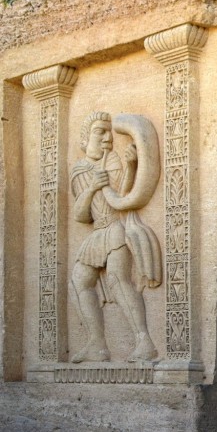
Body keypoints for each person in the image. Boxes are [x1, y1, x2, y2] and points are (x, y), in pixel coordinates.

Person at [70, 111, 160, 363]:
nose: (107, 137)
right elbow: (80, 215)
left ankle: (145, 342)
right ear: (85, 139)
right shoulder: (80, 169)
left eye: (108, 132)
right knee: (79, 281)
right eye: (100, 131)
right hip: (98, 231)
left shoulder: (111, 162)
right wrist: (92, 187)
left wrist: (130, 166)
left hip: (116, 228)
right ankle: (96, 344)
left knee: (118, 281)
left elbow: (120, 196)